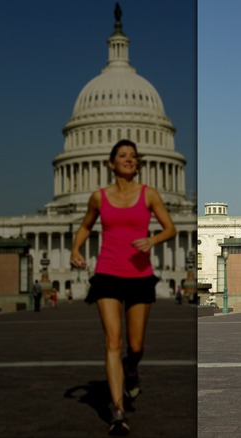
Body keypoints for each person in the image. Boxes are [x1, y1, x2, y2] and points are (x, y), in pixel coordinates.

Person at [70, 139, 176, 436]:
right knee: (113, 342)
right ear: (111, 163)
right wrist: (75, 249)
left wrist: (152, 240)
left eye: (133, 156)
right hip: (107, 273)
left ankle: (132, 369)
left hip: (140, 274)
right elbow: (86, 225)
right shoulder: (98, 197)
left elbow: (170, 228)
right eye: (123, 156)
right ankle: (117, 411)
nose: (129, 159)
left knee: (137, 346)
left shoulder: (149, 195)